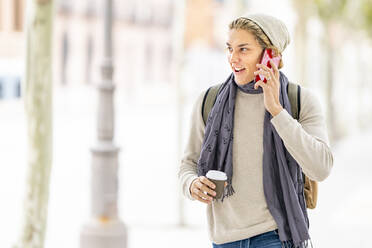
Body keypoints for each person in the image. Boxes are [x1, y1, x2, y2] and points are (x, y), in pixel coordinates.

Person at [177, 13, 334, 248]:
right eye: (230, 48)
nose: (233, 59)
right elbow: (187, 165)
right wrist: (191, 184)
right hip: (224, 239)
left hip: (276, 237)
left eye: (243, 50)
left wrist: (278, 112)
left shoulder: (300, 100)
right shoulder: (208, 101)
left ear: (270, 54)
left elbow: (321, 167)